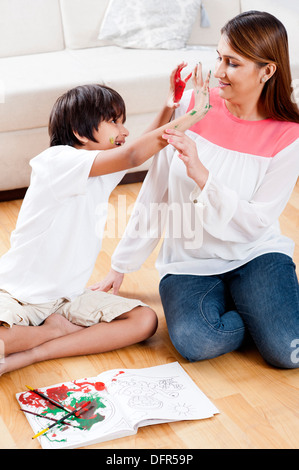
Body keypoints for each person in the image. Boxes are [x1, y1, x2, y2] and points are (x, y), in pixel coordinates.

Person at [95, 11, 299, 369]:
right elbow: (156, 189)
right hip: (191, 258)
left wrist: (204, 176)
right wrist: (121, 264)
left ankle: (266, 311)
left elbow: (255, 222)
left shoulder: (289, 135)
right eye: (218, 57)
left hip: (254, 253)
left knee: (288, 352)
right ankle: (257, 313)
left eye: (232, 63)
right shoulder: (194, 106)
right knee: (196, 341)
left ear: (267, 71)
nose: (218, 71)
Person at [0, 64, 211, 375]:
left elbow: (138, 149)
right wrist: (196, 113)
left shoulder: (98, 172)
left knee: (144, 321)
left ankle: (38, 350)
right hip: (19, 296)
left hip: (66, 299)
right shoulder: (57, 161)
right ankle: (51, 332)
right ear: (79, 132)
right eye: (113, 122)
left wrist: (170, 103)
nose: (123, 132)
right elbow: (132, 155)